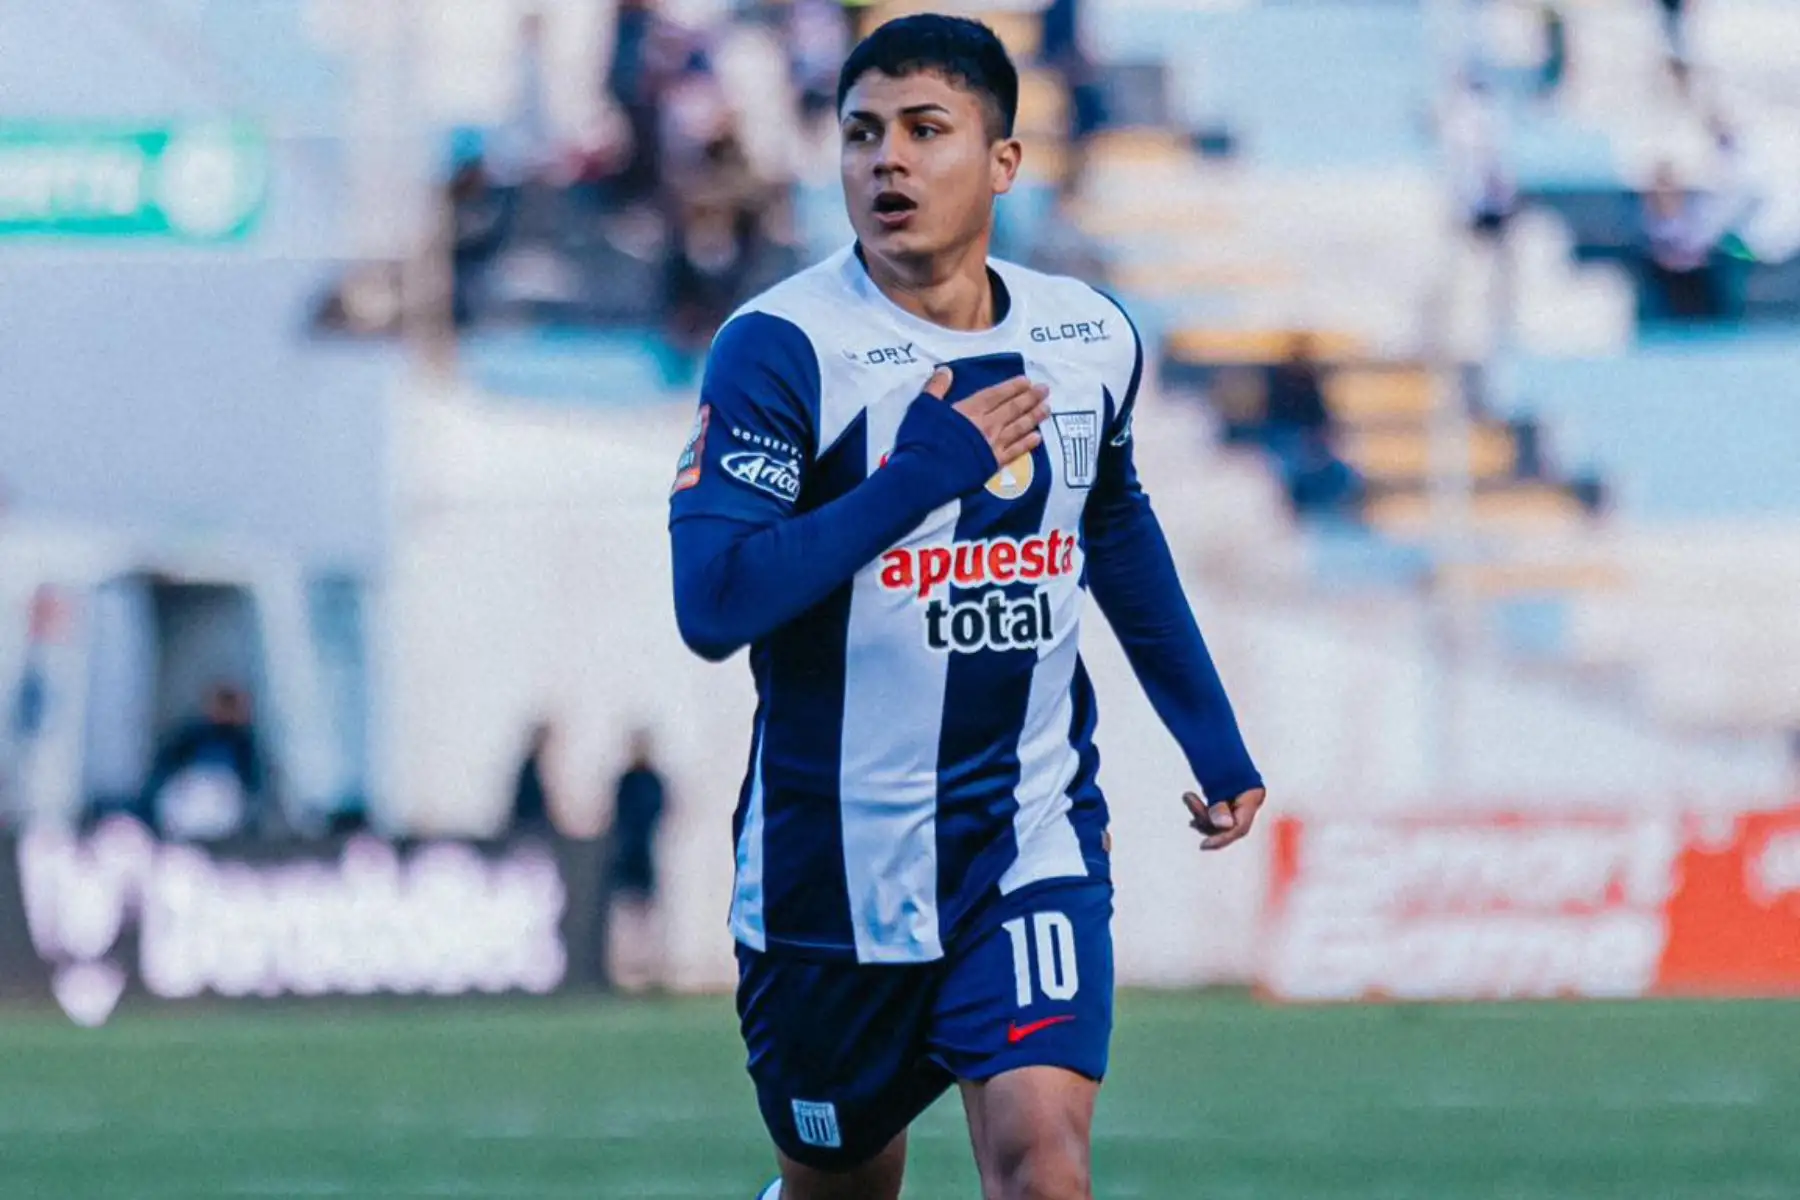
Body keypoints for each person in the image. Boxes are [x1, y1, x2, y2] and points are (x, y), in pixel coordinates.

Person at [665, 16, 1266, 1199]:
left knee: (1046, 1167)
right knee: (844, 1186)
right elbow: (714, 600)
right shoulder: (781, 349)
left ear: (1002, 161)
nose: (887, 160)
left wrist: (1214, 737)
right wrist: (914, 479)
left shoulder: (1086, 335)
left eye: (925, 130)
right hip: (829, 877)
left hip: (1023, 838)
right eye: (860, 134)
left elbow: (1114, 528)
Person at [141, 683, 265, 841]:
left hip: (225, 802)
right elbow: (164, 772)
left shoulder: (243, 743)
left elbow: (252, 783)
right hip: (187, 798)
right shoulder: (191, 735)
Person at [604, 728, 669, 992]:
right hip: (626, 856)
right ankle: (625, 974)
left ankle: (649, 971)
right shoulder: (626, 781)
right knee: (626, 916)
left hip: (645, 855)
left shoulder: (652, 781)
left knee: (647, 916)